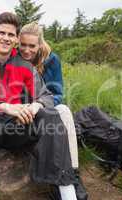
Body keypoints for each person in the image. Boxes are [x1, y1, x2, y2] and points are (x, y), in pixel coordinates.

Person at [0, 12, 78, 200]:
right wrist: (3, 106)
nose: (6, 38)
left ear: (16, 39)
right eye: (2, 33)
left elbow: (45, 95)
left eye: (11, 35)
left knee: (51, 115)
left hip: (15, 129)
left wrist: (36, 106)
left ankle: (68, 192)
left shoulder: (24, 65)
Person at [19, 22, 88, 200]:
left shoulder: (52, 60)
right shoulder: (13, 59)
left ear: (40, 44)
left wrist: (40, 104)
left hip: (43, 109)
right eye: (23, 45)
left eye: (32, 46)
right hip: (20, 113)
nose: (26, 50)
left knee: (63, 110)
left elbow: (57, 94)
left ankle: (71, 175)